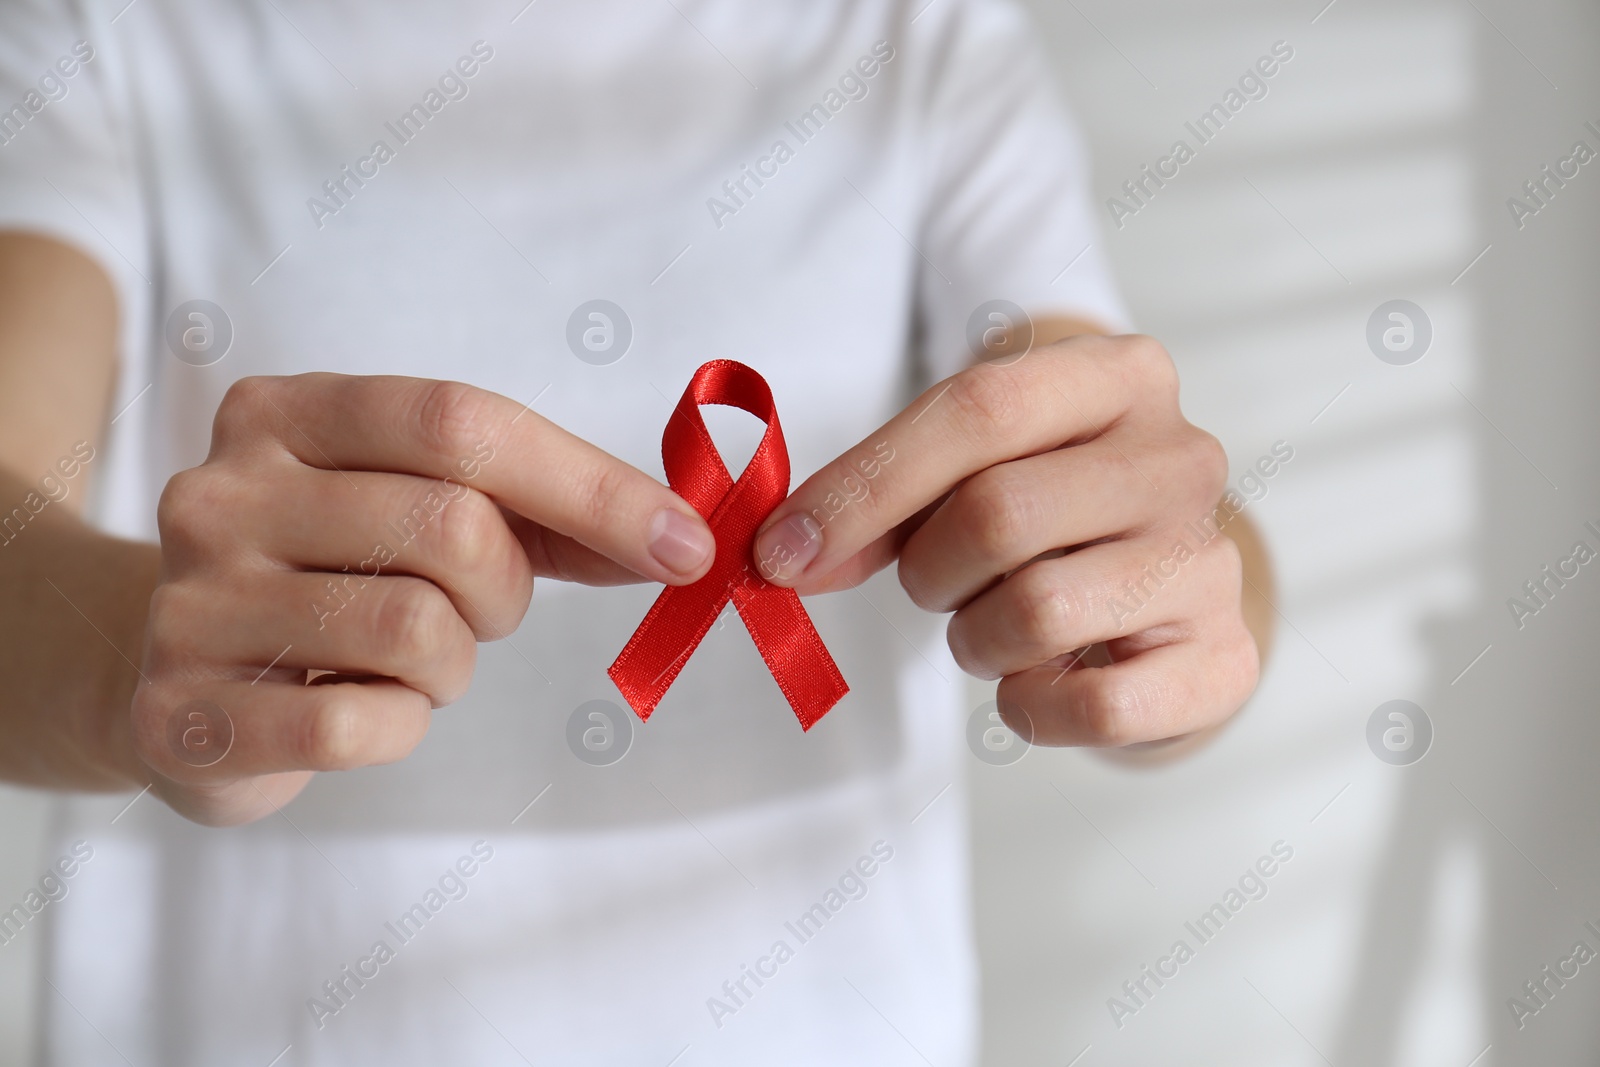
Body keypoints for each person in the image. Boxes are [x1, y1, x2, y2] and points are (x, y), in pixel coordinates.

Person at [0, 0, 1266, 1062]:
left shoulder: (917, 28)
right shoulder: (107, 26)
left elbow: (1104, 451)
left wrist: (1166, 593)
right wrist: (145, 663)